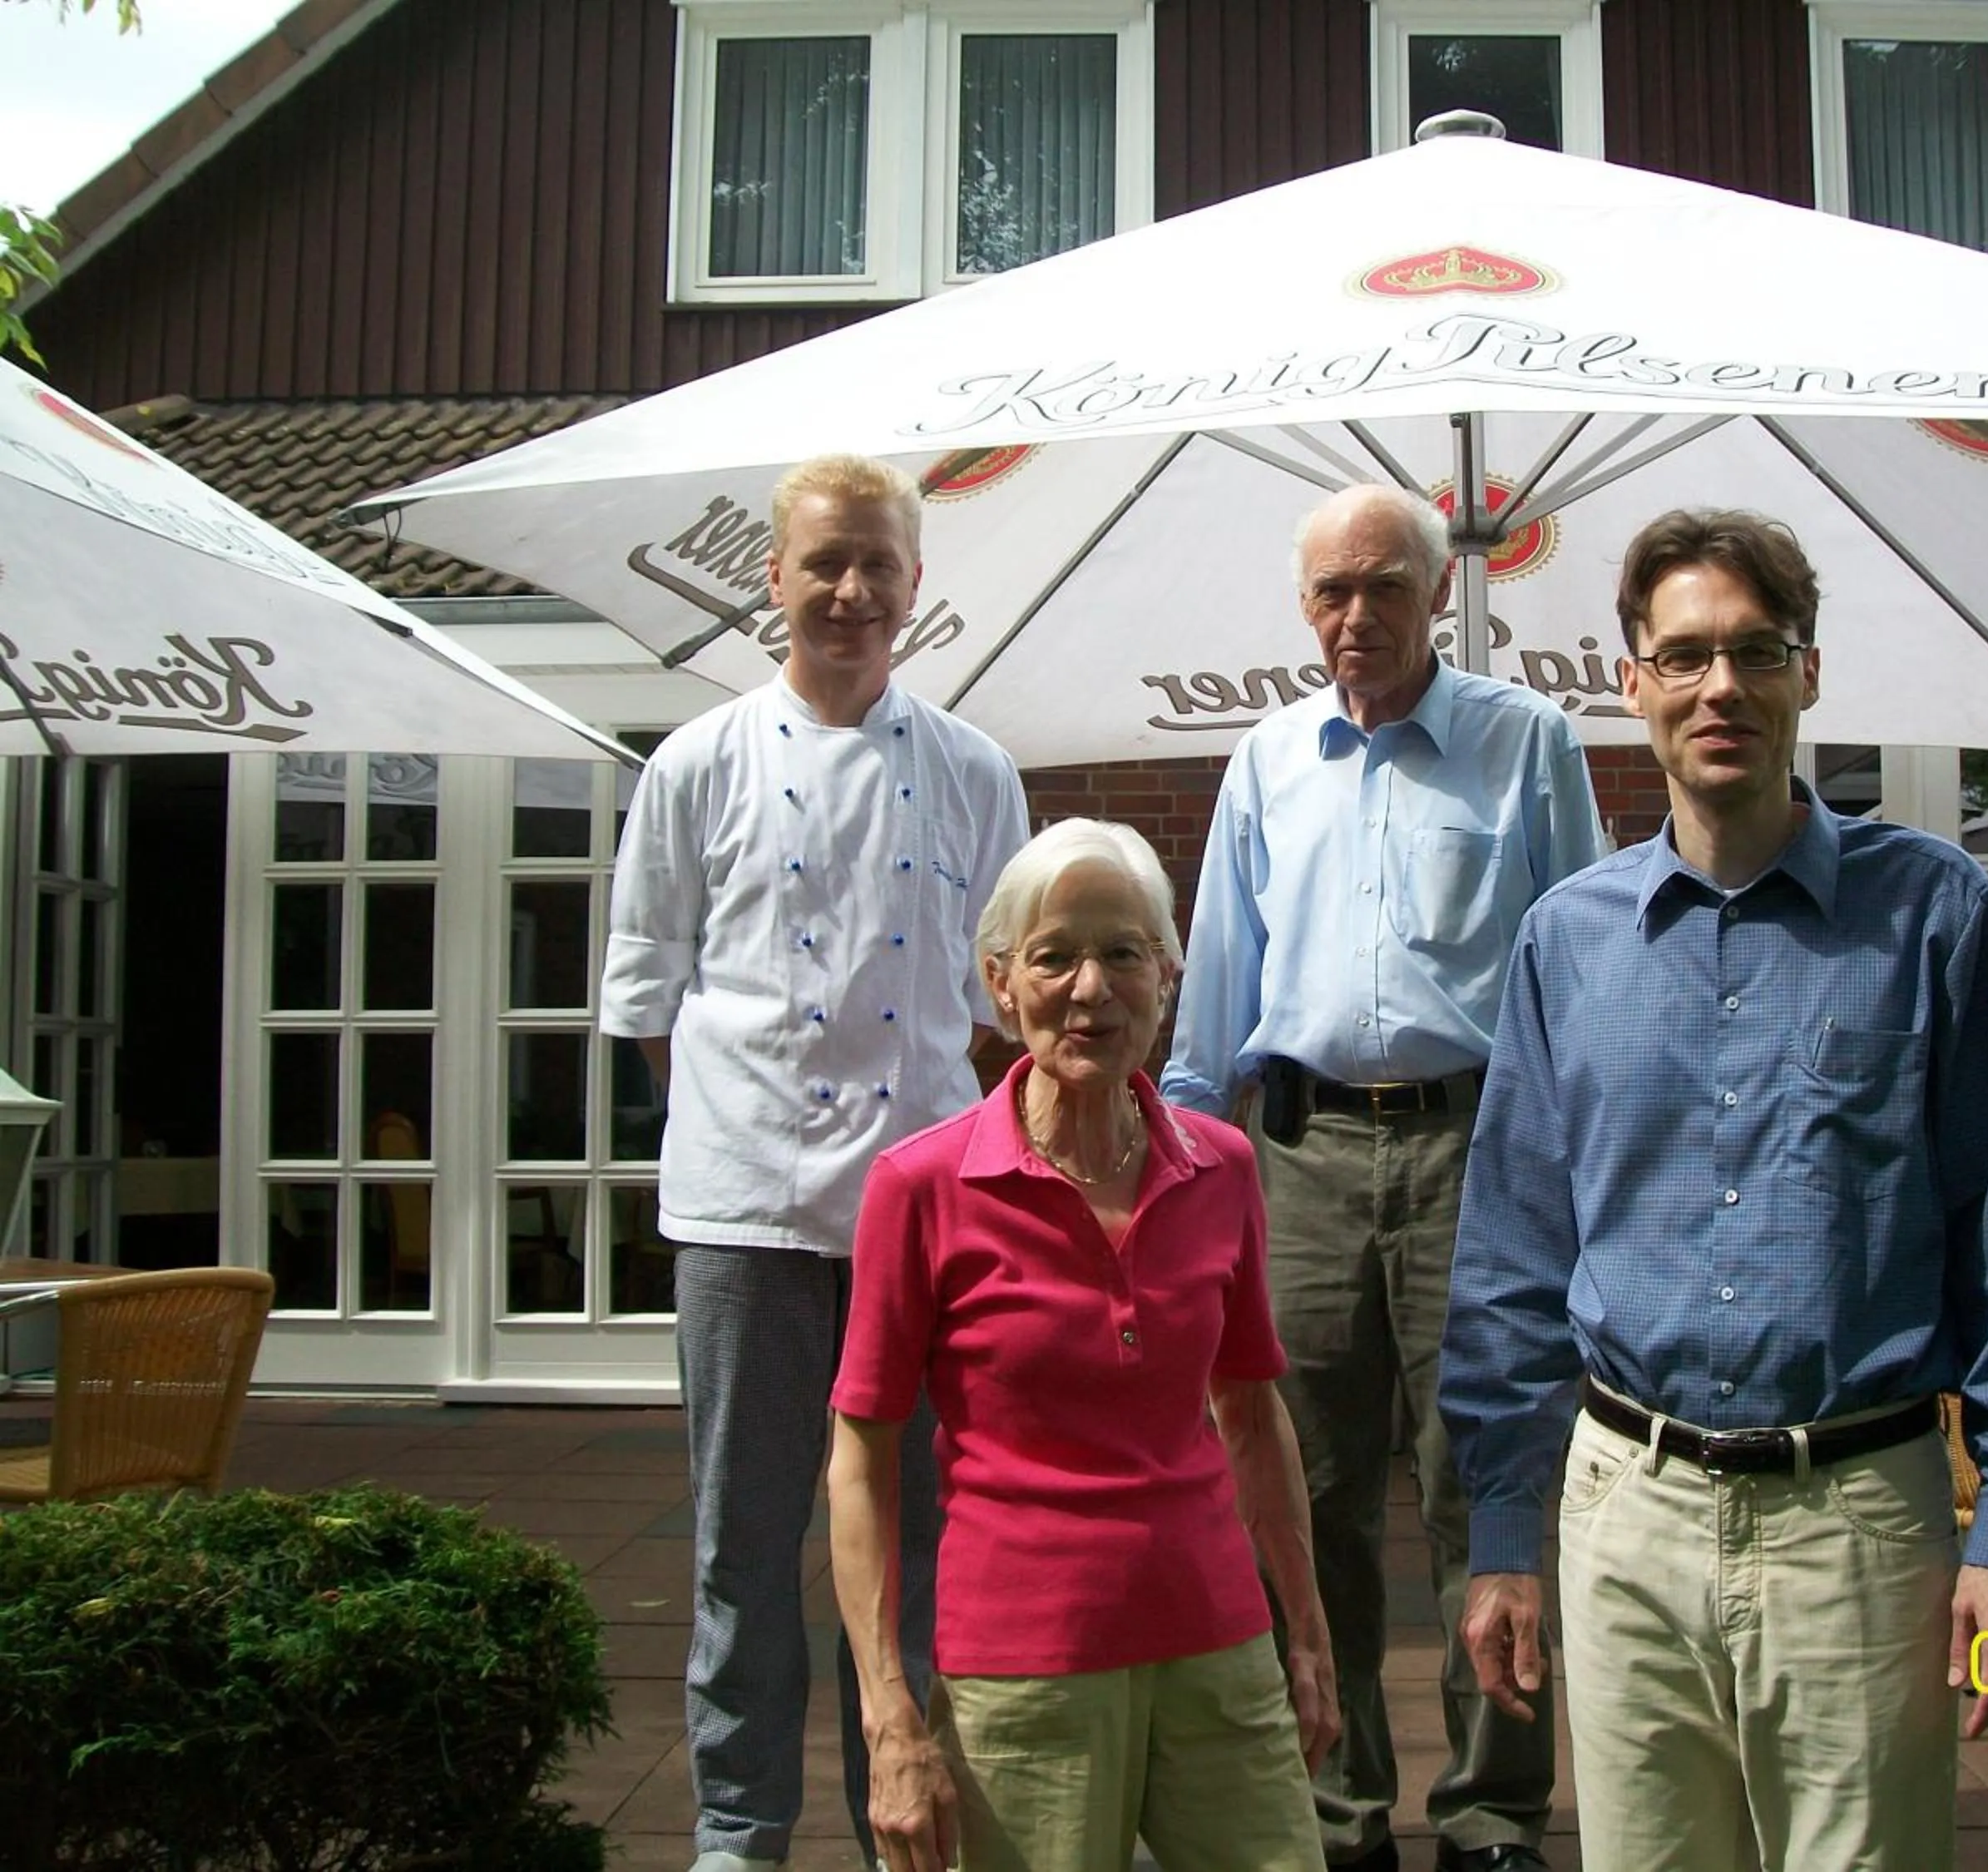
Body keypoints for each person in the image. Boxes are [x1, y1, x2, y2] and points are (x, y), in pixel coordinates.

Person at [1442, 508, 1988, 1871]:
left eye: (1755, 651)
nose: (1721, 687)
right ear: (1631, 682)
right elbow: (1512, 1261)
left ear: (1810, 672)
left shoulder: (1933, 914)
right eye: (1684, 656)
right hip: (1626, 1516)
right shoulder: (1566, 943)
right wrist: (1503, 1529)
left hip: (1858, 1525)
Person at [1160, 483, 1604, 1872]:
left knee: (1486, 1482)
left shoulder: (1526, 744)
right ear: (1306, 606)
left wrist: (1582, 1172)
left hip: (1478, 1155)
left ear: (1438, 594)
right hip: (1296, 1160)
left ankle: (1493, 1814)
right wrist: (1175, 1180)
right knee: (1308, 1496)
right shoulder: (1265, 762)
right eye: (1331, 592)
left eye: (1385, 586)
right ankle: (1337, 1810)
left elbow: (1585, 974)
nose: (1357, 616)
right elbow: (1215, 992)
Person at [600, 452, 1030, 1872]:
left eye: (877, 565)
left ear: (915, 584)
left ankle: (907, 1820)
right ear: (774, 579)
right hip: (744, 1221)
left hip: (924, 1226)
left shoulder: (974, 771)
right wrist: (747, 1128)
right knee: (743, 1545)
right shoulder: (695, 764)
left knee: (916, 1550)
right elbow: (648, 999)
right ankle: (739, 1831)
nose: (850, 590)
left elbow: (1000, 997)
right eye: (825, 563)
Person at [828, 816, 1340, 1872]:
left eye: (1123, 954)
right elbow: (861, 1460)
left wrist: (1305, 1630)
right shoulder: (920, 1188)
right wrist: (888, 1715)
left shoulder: (1225, 1168)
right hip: (1023, 1671)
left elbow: (1251, 1415)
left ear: (1168, 976)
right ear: (1000, 984)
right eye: (1054, 957)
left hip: (1218, 1644)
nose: (1091, 990)